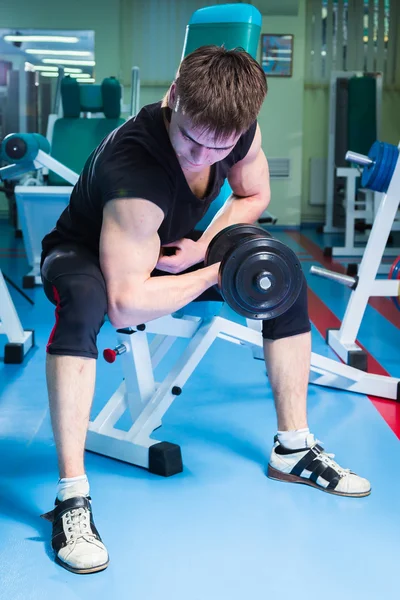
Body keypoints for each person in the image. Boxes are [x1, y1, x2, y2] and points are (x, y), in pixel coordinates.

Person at [40, 46, 371, 575]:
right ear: (173, 97)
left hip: (171, 245)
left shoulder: (234, 131)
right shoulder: (136, 171)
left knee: (279, 279)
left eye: (216, 149)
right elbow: (125, 306)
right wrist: (216, 273)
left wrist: (205, 245)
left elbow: (252, 192)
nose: (200, 157)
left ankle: (292, 448)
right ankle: (71, 498)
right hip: (85, 251)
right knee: (84, 305)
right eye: (191, 139)